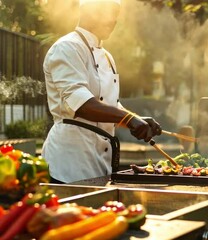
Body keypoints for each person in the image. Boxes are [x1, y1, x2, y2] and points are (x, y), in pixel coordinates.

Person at [42, 0, 161, 184]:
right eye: (107, 12)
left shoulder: (107, 56)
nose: (113, 20)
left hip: (100, 162)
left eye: (116, 14)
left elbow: (110, 104)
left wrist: (135, 120)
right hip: (69, 163)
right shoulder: (67, 47)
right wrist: (129, 119)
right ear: (86, 10)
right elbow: (81, 104)